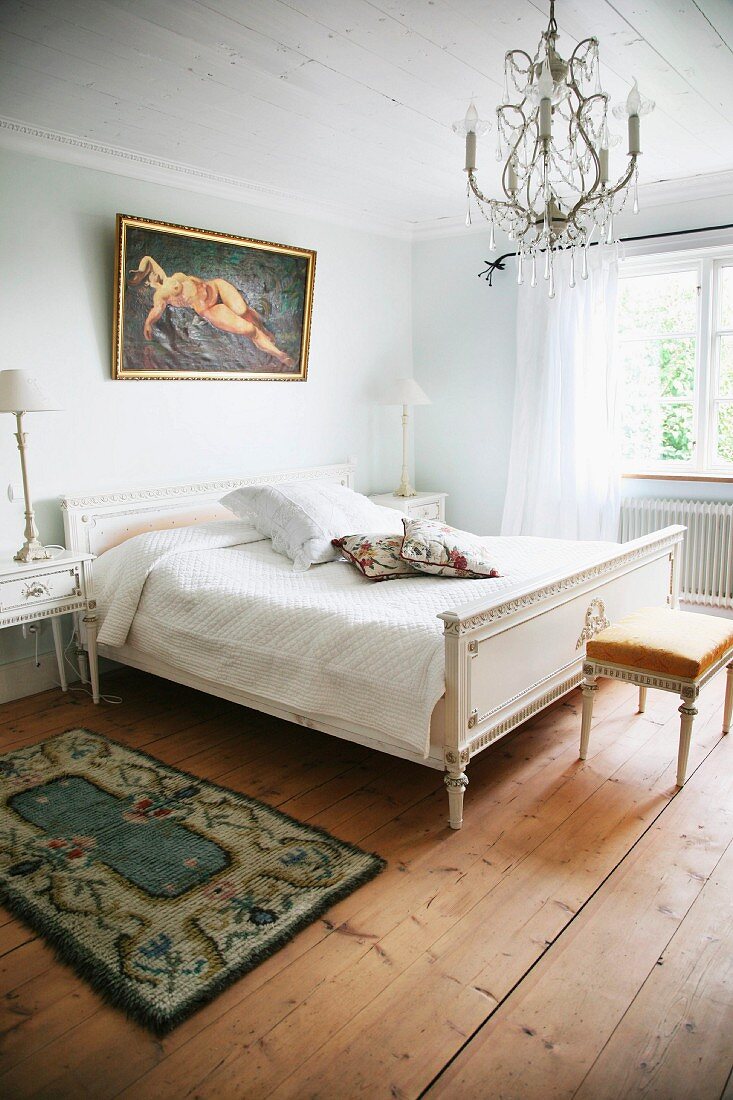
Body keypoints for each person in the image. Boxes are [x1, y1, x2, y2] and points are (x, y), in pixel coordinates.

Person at [128, 256, 294, 367]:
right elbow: (157, 310)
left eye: (152, 274)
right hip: (210, 308)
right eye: (150, 277)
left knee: (243, 311)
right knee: (248, 329)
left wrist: (140, 272)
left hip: (217, 287)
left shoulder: (171, 278)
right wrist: (148, 322)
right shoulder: (161, 295)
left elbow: (148, 260)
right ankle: (280, 354)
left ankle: (264, 330)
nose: (155, 275)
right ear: (149, 283)